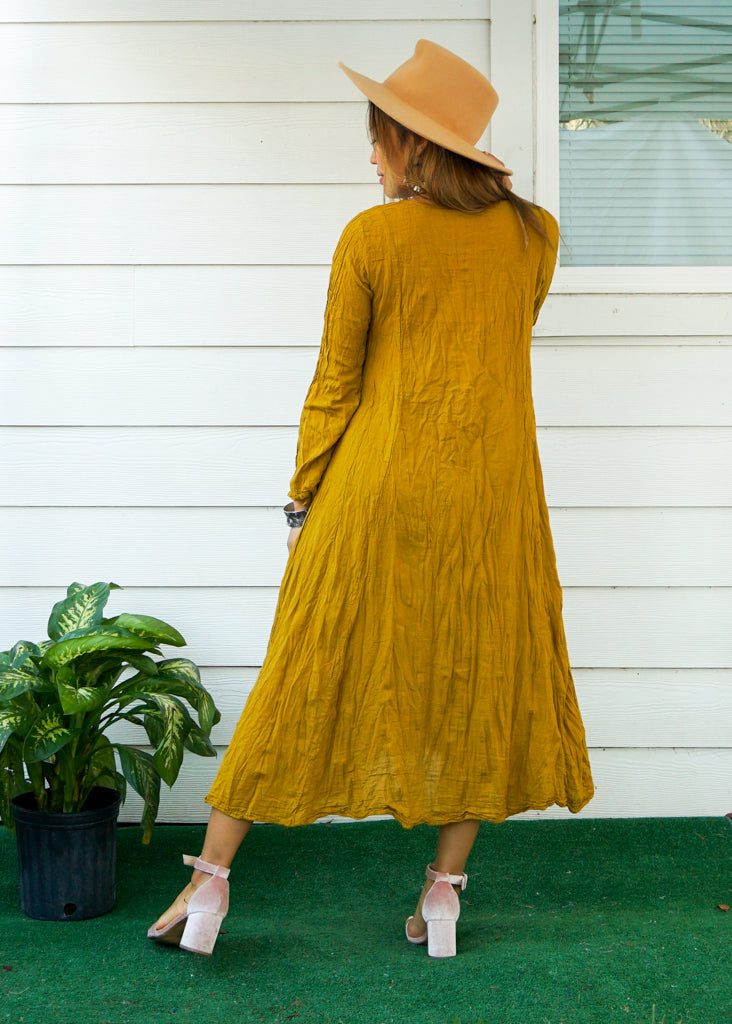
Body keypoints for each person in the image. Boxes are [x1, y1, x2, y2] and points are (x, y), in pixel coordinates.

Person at [147, 39, 594, 959]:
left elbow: (336, 384)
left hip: (376, 489)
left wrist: (303, 497)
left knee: (303, 667)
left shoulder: (372, 239)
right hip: (492, 499)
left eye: (380, 137)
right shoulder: (533, 235)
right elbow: (494, 345)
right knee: (475, 673)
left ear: (415, 145)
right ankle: (443, 897)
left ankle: (211, 883)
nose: (373, 154)